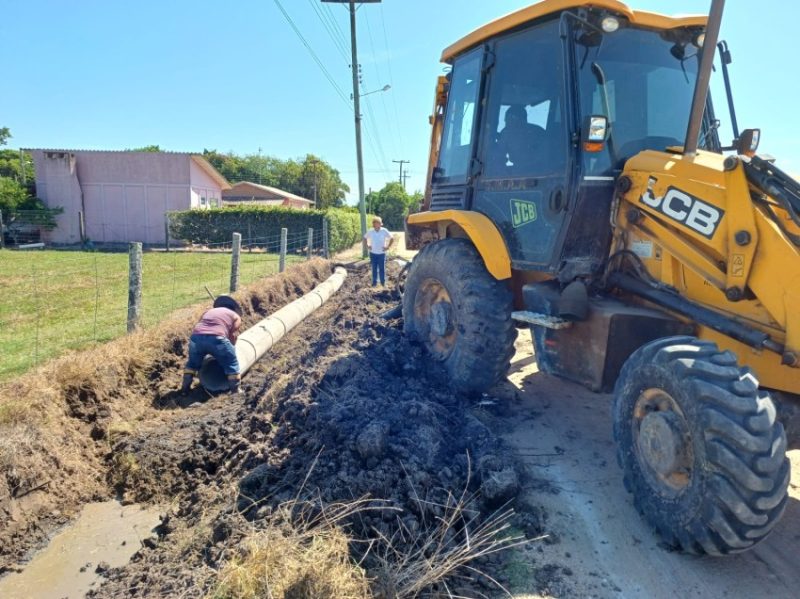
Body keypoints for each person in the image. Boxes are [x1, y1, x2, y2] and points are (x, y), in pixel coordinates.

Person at [181, 295, 243, 394]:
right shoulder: (236, 316)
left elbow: (199, 325)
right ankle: (235, 391)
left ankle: (184, 390)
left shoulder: (208, 312)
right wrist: (230, 349)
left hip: (196, 338)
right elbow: (232, 335)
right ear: (235, 309)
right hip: (218, 339)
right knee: (232, 363)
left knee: (192, 364)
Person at [363, 217, 394, 286]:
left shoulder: (384, 231)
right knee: (374, 268)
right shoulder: (370, 231)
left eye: (378, 223)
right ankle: (374, 283)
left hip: (381, 254)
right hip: (373, 253)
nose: (376, 224)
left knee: (381, 269)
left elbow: (392, 238)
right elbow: (365, 238)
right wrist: (367, 245)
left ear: (380, 224)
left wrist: (387, 247)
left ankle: (383, 283)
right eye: (375, 223)